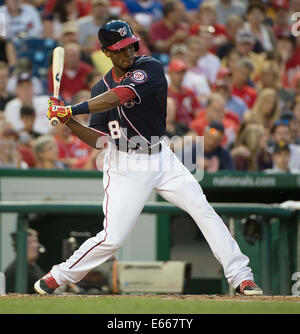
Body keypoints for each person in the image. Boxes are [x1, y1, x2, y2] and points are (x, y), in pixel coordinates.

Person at [34, 19, 263, 296]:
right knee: (112, 238)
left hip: (161, 156)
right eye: (119, 49)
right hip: (123, 164)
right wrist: (68, 120)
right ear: (106, 52)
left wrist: (71, 108)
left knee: (202, 209)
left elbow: (119, 96)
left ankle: (241, 277)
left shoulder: (149, 67)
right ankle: (57, 276)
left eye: (130, 46)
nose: (128, 53)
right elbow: (98, 140)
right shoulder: (98, 88)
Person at [4, 228, 46, 294]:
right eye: (29, 242)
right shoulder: (16, 270)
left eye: (35, 241)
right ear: (19, 246)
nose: (35, 245)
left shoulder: (33, 266)